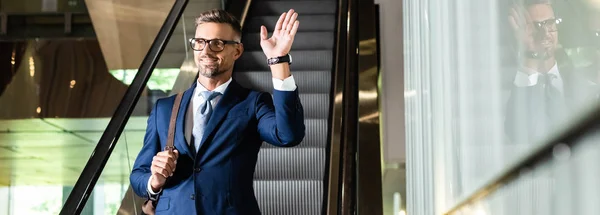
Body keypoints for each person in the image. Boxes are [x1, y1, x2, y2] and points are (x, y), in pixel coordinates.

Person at [130, 9, 305, 215]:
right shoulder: (165, 108)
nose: (206, 51)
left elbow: (288, 135)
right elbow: (138, 175)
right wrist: (154, 181)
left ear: (237, 51)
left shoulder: (252, 103)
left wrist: (278, 61)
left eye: (217, 43)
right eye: (200, 42)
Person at [504, 0, 598, 144]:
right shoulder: (516, 89)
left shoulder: (585, 83)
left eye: (550, 23)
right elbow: (519, 134)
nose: (545, 33)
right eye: (536, 26)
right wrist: (531, 54)